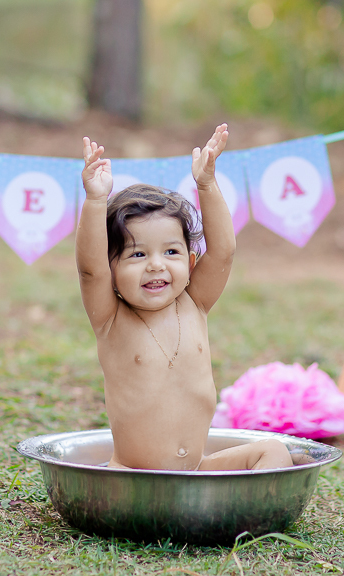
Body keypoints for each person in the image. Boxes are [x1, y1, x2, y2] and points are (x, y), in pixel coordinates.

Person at [77, 124, 293, 471]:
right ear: (112, 269)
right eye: (137, 255)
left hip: (195, 472)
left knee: (274, 452)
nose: (156, 266)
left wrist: (206, 184)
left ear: (191, 262)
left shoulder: (195, 303)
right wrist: (94, 200)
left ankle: (235, 515)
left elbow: (223, 251)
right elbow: (90, 271)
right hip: (133, 477)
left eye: (171, 252)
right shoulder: (111, 319)